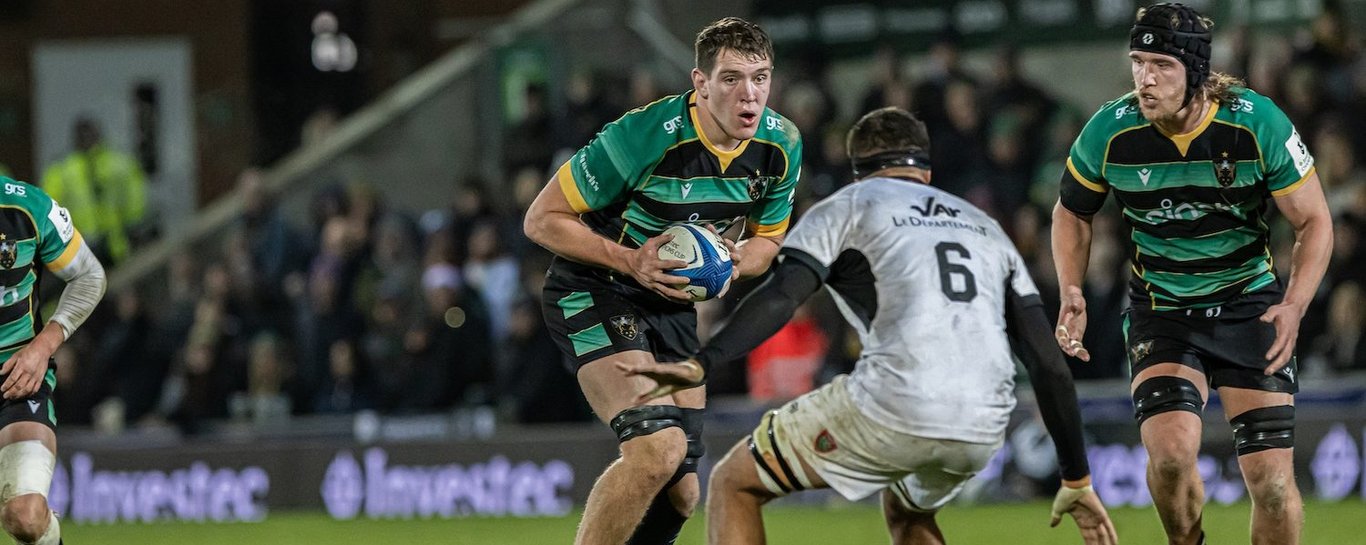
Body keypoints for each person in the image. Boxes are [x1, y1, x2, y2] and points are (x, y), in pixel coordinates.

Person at [622, 107, 1115, 545]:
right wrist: (1077, 479)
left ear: (858, 170)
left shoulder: (848, 206)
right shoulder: (983, 226)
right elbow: (1047, 361)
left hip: (896, 400)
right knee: (908, 510)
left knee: (735, 482)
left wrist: (704, 361)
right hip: (983, 422)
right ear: (926, 170)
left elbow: (782, 296)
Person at [1051, 4, 1333, 544]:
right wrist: (1071, 287)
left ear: (1196, 72)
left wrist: (1294, 304)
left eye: (1162, 64)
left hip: (1249, 304)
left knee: (1271, 483)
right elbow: (1071, 212)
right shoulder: (1110, 131)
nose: (1145, 78)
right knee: (1172, 457)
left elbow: (1315, 220)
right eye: (1138, 61)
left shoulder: (1256, 123)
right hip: (1163, 311)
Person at [522, 16, 801, 545]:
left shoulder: (781, 143)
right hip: (595, 287)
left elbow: (768, 243)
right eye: (732, 79)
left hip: (671, 304)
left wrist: (730, 263)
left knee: (681, 493)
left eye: (761, 78)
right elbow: (541, 219)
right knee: (656, 453)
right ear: (700, 82)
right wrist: (630, 261)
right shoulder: (642, 135)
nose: (750, 95)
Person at [0, 174, 107, 544]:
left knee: (25, 516)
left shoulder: (27, 207)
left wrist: (43, 346)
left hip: (15, 382)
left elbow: (89, 275)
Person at [40, 117, 148, 265]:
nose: (87, 139)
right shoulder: (61, 170)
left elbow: (135, 196)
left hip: (115, 244)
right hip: (80, 249)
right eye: (83, 135)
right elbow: (47, 209)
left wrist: (134, 224)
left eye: (89, 134)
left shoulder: (118, 163)